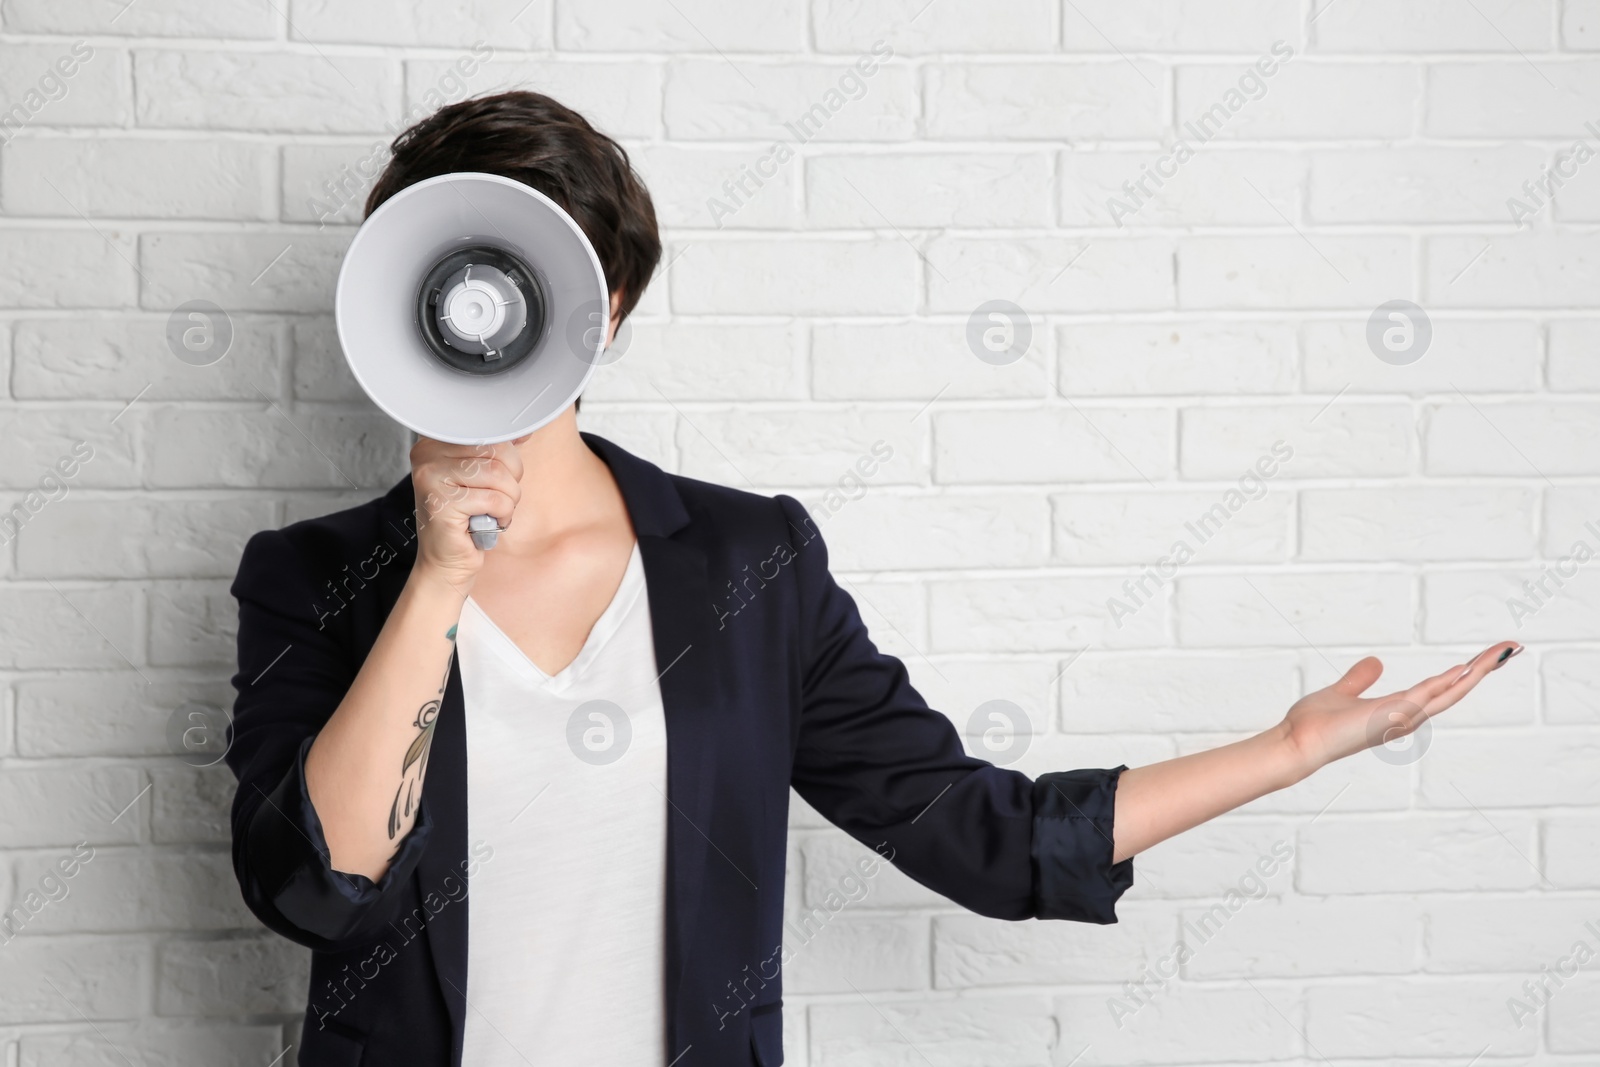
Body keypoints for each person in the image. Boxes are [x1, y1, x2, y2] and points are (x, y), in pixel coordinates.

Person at [225, 91, 1520, 1067]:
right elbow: (314, 890)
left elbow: (979, 833)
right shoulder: (314, 578)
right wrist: (440, 579)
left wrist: (1286, 751)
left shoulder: (747, 564)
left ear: (603, 304)